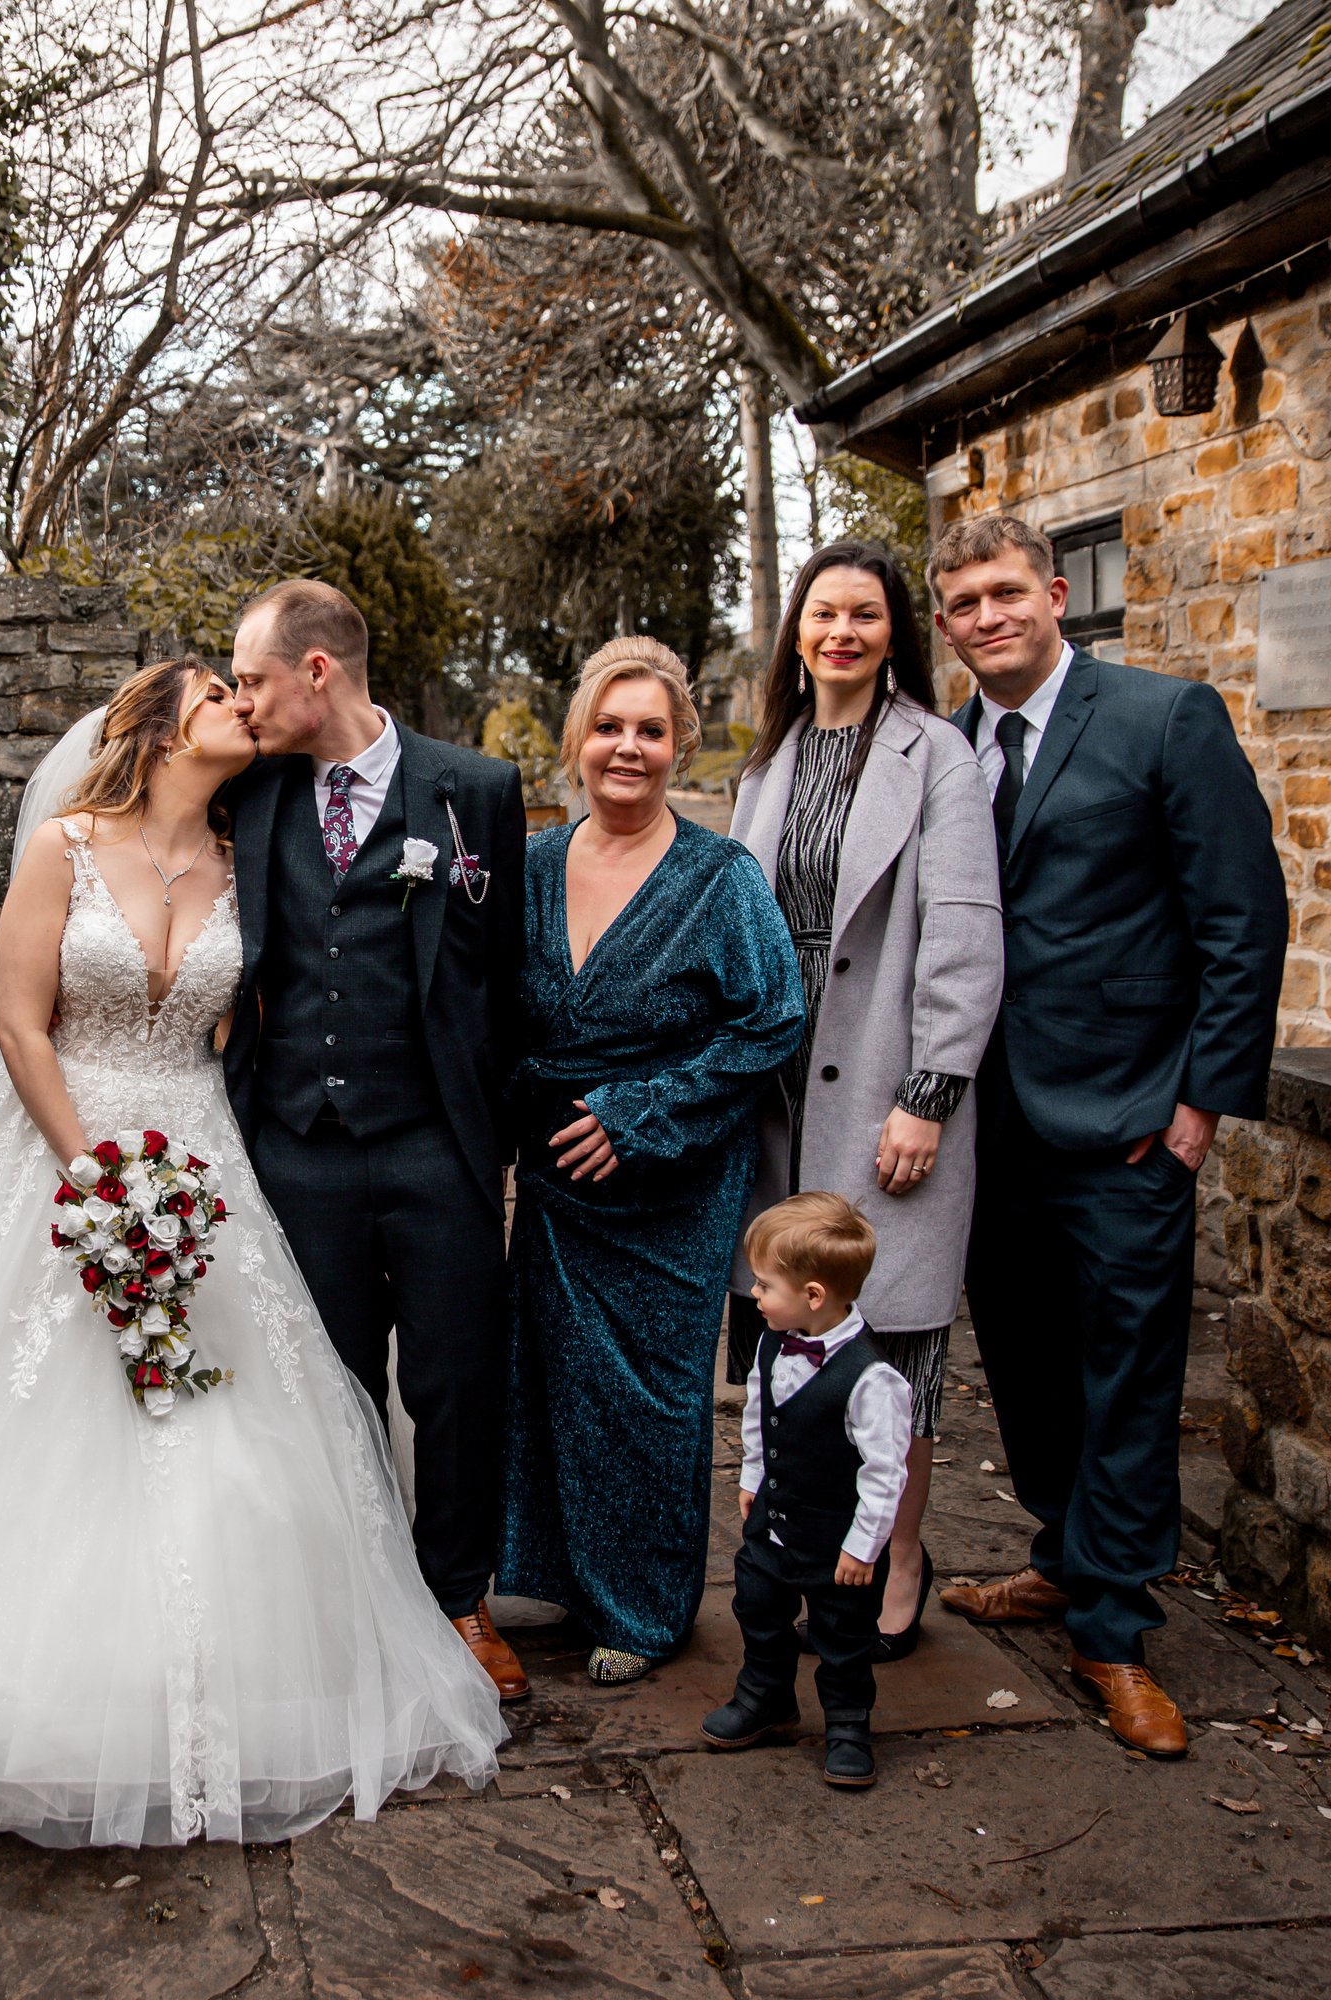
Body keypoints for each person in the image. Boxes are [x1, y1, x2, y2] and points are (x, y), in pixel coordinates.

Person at [0, 658, 507, 1846]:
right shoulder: (65, 846)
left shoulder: (252, 852)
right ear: (162, 725)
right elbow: (21, 1022)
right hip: (57, 1146)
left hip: (202, 1149)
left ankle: (252, 1675)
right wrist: (92, 1176)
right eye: (219, 694)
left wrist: (175, 1181)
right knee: (25, 1416)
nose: (242, 703)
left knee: (229, 1409)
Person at [929, 513, 1288, 1757]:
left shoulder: (1162, 717)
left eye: (1005, 592)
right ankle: (1057, 1554)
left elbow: (1242, 919)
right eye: (964, 601)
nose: (988, 616)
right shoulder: (949, 746)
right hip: (990, 1122)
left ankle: (1115, 1630)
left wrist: (1196, 1110)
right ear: (944, 622)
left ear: (1057, 591)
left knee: (1127, 1372)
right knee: (1022, 1363)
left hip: (1129, 1118)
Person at [219, 582, 535, 1699]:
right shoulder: (249, 791)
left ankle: (458, 1596)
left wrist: (490, 1125)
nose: (241, 700)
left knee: (455, 1383)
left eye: (253, 678)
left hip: (436, 1142)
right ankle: (351, 1596)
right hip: (295, 1143)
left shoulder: (476, 791)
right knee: (331, 1384)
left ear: (318, 672)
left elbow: (504, 973)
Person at [499, 639, 806, 1685]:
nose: (626, 747)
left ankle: (643, 1605)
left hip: (670, 1180)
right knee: (550, 1374)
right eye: (608, 725)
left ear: (678, 746)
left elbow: (773, 1019)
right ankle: (555, 1571)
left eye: (650, 729)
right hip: (552, 1178)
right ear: (576, 740)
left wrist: (640, 1109)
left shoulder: (721, 877)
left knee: (650, 1394)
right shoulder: (532, 864)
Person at [727, 542, 1002, 1660]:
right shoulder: (768, 760)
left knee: (893, 1342)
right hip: (777, 1093)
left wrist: (927, 1093)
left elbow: (964, 928)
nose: (842, 630)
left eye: (866, 614)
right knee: (791, 1331)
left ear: (896, 635)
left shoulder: (933, 752)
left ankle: (895, 1551)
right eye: (824, 612)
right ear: (797, 631)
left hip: (885, 1080)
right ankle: (800, 1531)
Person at [703, 1193, 912, 1789]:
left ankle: (848, 1724)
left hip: (835, 1539)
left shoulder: (873, 1380)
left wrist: (863, 1547)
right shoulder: (772, 1342)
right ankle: (765, 1697)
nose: (756, 1296)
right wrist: (752, 1479)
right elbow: (758, 1414)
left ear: (813, 1296)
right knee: (758, 1607)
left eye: (765, 1285)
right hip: (772, 1522)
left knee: (842, 1635)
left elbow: (883, 1472)